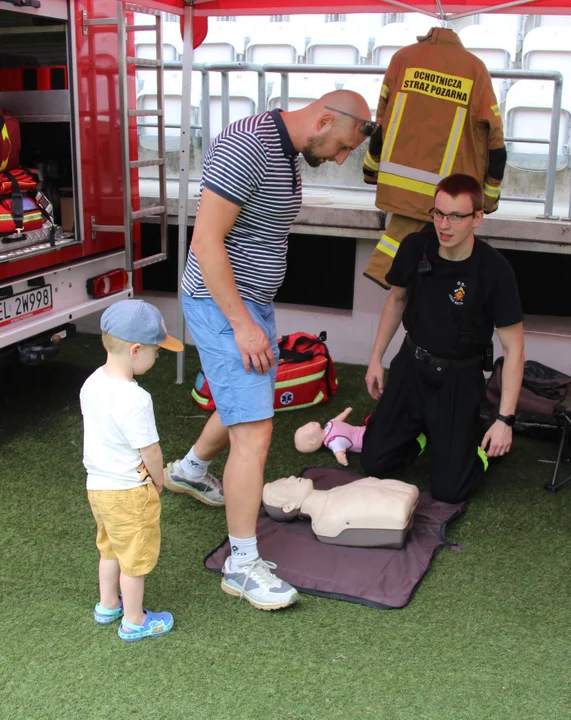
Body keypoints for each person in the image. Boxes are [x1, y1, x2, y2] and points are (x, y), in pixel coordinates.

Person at [163, 90, 373, 611]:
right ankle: (241, 565)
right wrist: (242, 325)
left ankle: (189, 470)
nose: (342, 158)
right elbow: (206, 243)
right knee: (255, 430)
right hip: (222, 304)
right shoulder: (247, 145)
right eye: (343, 146)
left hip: (250, 303)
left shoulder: (289, 153)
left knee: (247, 401)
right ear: (324, 119)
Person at [360, 174, 524, 504]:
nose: (443, 225)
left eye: (455, 216)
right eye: (437, 213)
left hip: (459, 377)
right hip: (412, 366)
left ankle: (474, 441)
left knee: (451, 490)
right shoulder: (414, 247)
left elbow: (514, 347)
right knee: (375, 464)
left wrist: (505, 420)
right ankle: (424, 435)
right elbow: (397, 300)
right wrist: (376, 358)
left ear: (477, 218)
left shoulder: (495, 270)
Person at [359, 26, 507, 289]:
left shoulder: (403, 59)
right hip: (451, 194)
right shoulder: (475, 69)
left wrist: (372, 171)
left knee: (406, 272)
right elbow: (494, 137)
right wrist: (488, 199)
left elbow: (380, 121)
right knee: (443, 271)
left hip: (400, 188)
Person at [80, 299, 182, 642]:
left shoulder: (92, 383)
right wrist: (160, 480)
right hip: (129, 491)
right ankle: (134, 620)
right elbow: (150, 451)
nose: (157, 357)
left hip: (98, 488)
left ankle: (108, 604)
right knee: (134, 559)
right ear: (135, 350)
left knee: (108, 548)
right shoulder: (135, 399)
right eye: (156, 351)